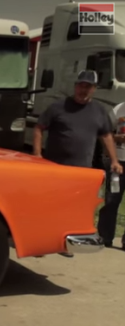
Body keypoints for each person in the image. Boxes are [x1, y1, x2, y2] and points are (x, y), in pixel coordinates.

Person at [33, 70, 123, 255]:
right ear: (75, 86)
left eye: (88, 87)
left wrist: (114, 160)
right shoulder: (58, 107)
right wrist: (37, 154)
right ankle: (40, 241)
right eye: (81, 85)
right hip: (54, 166)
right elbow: (39, 127)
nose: (84, 90)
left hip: (81, 169)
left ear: (94, 89)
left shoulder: (99, 111)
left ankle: (65, 243)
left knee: (73, 207)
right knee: (49, 204)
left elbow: (106, 135)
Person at [98, 100, 125, 249]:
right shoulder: (119, 109)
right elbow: (105, 132)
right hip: (118, 162)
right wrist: (116, 139)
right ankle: (105, 237)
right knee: (111, 200)